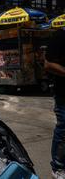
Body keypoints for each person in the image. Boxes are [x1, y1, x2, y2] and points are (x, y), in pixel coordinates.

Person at [44, 29, 65, 179]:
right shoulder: (61, 35)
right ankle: (58, 167)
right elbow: (48, 64)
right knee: (64, 130)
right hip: (64, 94)